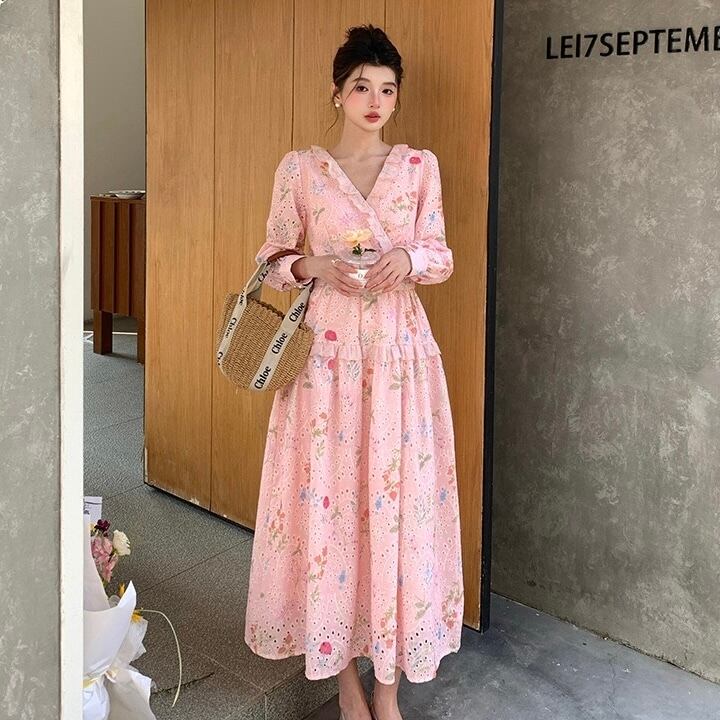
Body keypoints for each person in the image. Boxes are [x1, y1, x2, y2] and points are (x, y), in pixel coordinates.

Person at [244, 23, 464, 720]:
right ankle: (344, 679)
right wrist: (315, 264)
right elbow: (271, 261)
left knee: (397, 510)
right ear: (337, 92)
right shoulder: (301, 170)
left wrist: (410, 259)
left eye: (387, 90)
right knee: (330, 507)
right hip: (326, 363)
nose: (375, 101)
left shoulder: (419, 166)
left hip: (399, 358)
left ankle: (389, 687)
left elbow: (440, 254)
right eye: (362, 87)